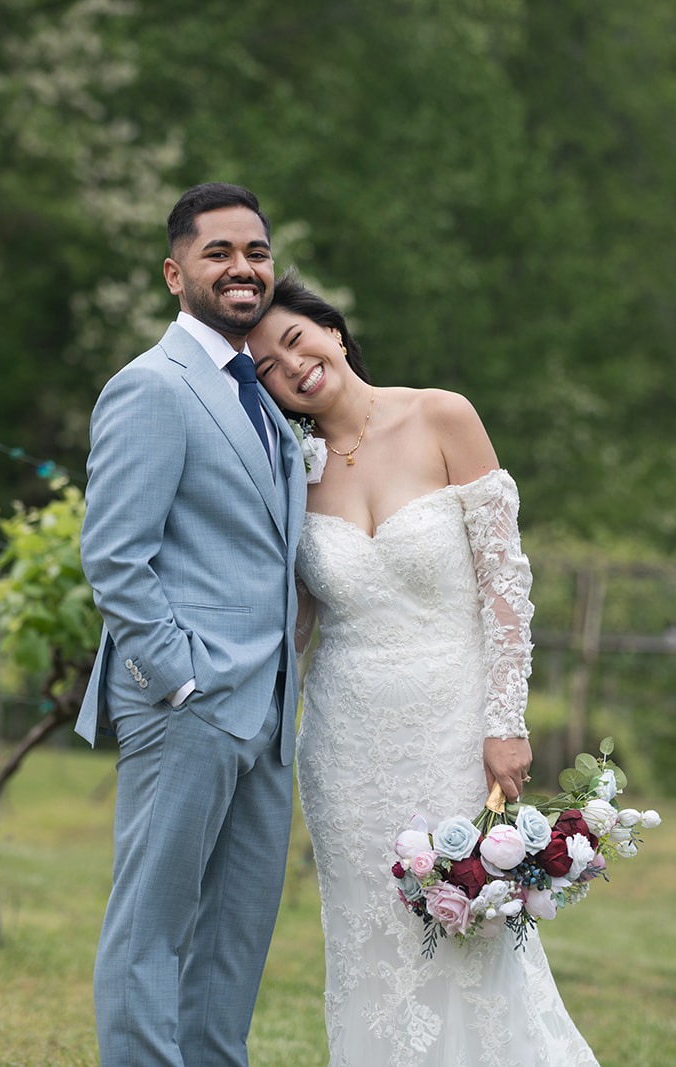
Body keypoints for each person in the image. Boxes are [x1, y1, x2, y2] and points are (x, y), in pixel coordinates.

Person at [248, 272, 599, 1066]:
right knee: (370, 945)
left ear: (332, 331)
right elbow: (300, 620)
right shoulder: (292, 473)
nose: (291, 364)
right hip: (343, 740)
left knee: (468, 927)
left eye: (296, 339)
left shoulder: (442, 414)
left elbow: (506, 582)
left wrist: (505, 721)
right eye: (267, 364)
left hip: (452, 721)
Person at [76, 182, 307, 1067]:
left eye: (256, 252)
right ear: (176, 274)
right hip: (190, 702)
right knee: (151, 928)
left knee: (232, 946)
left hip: (267, 711)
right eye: (219, 253)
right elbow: (115, 557)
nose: (242, 268)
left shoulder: (261, 396)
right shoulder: (152, 387)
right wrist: (179, 676)